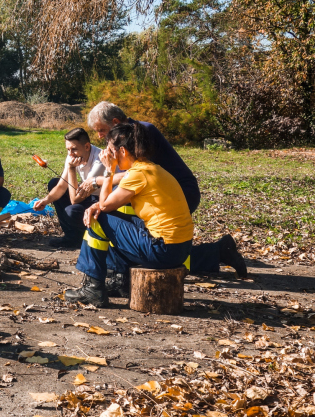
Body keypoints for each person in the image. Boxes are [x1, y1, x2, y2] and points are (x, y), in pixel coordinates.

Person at [65, 123, 245, 307]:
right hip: (178, 247)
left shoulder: (137, 174)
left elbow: (105, 205)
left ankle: (93, 288)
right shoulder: (151, 168)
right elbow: (112, 203)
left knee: (99, 219)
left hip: (163, 251)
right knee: (116, 217)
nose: (107, 155)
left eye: (110, 151)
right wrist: (98, 204)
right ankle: (120, 279)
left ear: (123, 152)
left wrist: (109, 171)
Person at [32, 128, 106, 248]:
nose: (70, 154)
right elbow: (61, 186)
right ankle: (71, 237)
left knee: (72, 211)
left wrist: (72, 169)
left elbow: (75, 200)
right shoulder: (72, 156)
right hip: (86, 194)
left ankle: (83, 237)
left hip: (101, 201)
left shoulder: (99, 161)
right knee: (53, 183)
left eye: (74, 149)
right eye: (68, 149)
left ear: (87, 146)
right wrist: (45, 200)